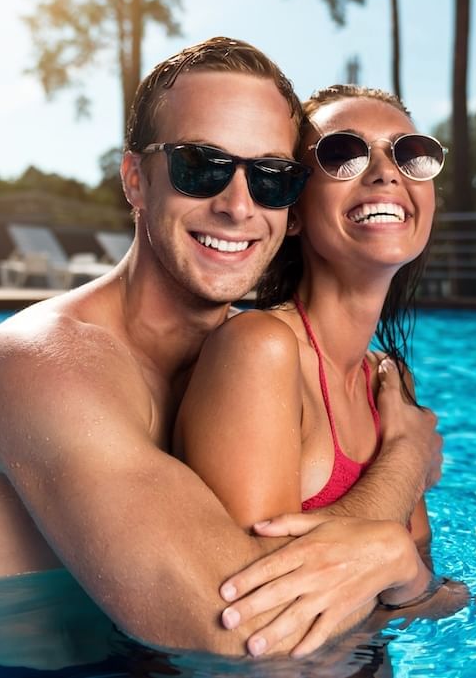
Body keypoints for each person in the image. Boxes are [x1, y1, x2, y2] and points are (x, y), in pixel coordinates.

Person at [0, 38, 444, 672]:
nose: (236, 205)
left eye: (270, 177)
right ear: (135, 179)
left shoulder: (254, 356)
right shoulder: (41, 366)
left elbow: (411, 600)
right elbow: (248, 636)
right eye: (201, 167)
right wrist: (404, 466)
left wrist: (396, 560)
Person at [174, 85, 455, 604]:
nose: (385, 172)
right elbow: (255, 612)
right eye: (343, 154)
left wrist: (405, 573)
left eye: (409, 153)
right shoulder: (258, 350)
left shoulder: (390, 381)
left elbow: (420, 586)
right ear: (293, 210)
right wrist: (405, 458)